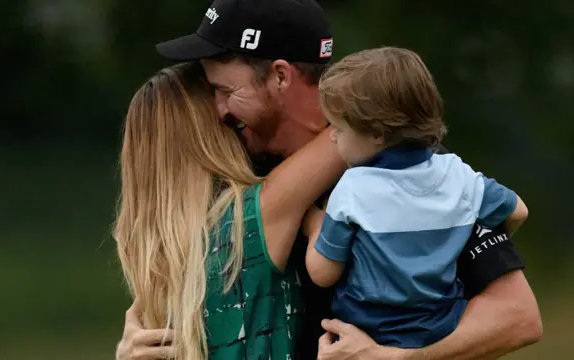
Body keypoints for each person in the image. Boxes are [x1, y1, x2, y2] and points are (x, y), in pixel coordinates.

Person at [116, 0, 542, 358]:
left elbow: (516, 315)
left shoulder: (412, 168)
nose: (221, 110)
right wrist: (139, 340)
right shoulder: (241, 179)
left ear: (281, 76)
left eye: (227, 90)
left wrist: (400, 357)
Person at [113, 61, 346, 360]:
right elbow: (358, 128)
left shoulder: (152, 254)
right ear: (207, 136)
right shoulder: (251, 217)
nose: (229, 113)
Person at [303, 47, 529, 350]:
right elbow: (518, 212)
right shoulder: (458, 174)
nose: (332, 137)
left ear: (377, 134)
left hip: (369, 333)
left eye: (339, 129)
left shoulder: (353, 188)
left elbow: (322, 273)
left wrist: (312, 223)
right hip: (441, 330)